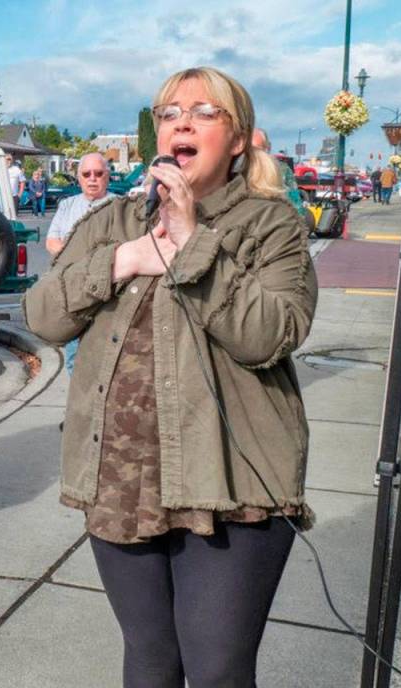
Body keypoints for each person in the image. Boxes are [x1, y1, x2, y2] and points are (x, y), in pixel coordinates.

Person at [24, 66, 317, 687]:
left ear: (239, 140)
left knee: (217, 672)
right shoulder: (111, 223)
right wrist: (124, 260)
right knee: (151, 662)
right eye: (169, 112)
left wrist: (190, 244)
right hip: (122, 478)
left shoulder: (271, 225)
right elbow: (42, 317)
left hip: (231, 488)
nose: (182, 121)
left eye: (205, 112)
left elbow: (270, 335)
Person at [45, 152, 116, 376]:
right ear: (79, 178)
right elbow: (52, 241)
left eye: (98, 173)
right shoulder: (66, 206)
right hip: (74, 292)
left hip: (109, 294)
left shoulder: (119, 206)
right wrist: (81, 262)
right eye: (87, 174)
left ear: (107, 176)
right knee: (74, 359)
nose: (92, 179)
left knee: (108, 356)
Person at [251, 128, 305, 217]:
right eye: (249, 149)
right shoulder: (237, 170)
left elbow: (297, 208)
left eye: (257, 149)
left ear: (267, 148)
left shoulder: (282, 170)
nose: (253, 153)